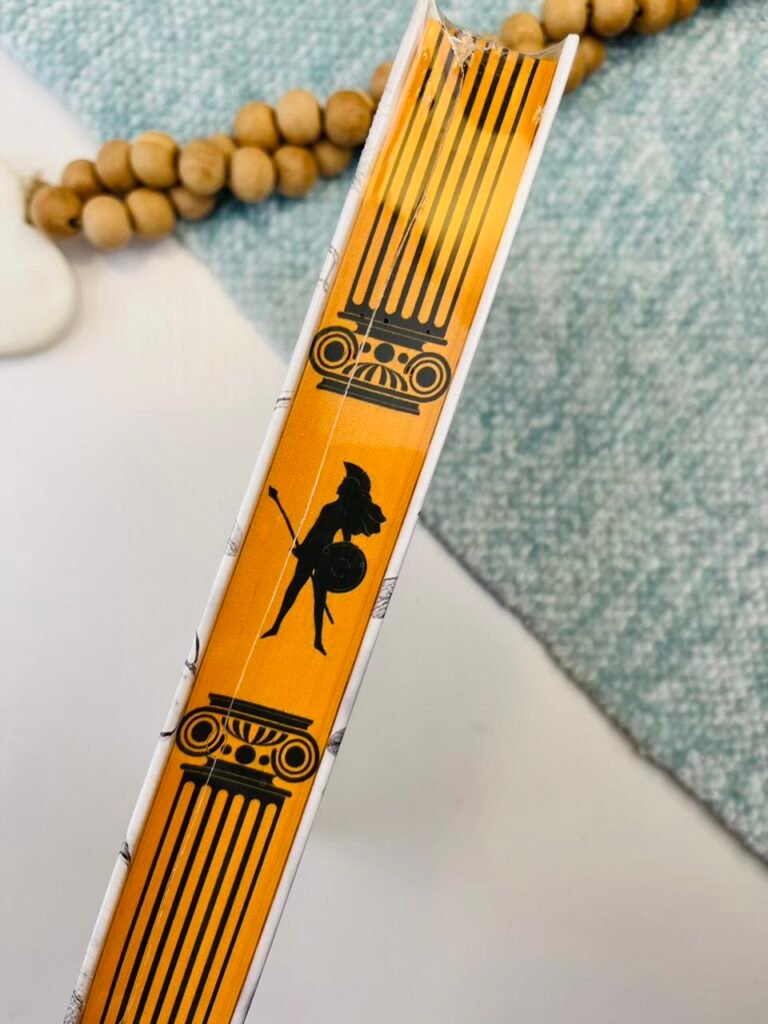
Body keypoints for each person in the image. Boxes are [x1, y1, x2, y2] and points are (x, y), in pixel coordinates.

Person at [262, 462, 385, 654]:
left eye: (343, 483)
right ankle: (277, 625)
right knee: (294, 588)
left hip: (325, 557)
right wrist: (302, 548)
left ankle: (317, 640)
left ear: (346, 490)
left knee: (319, 598)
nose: (340, 485)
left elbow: (346, 542)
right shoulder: (329, 508)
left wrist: (341, 562)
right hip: (313, 552)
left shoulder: (342, 513)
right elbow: (315, 530)